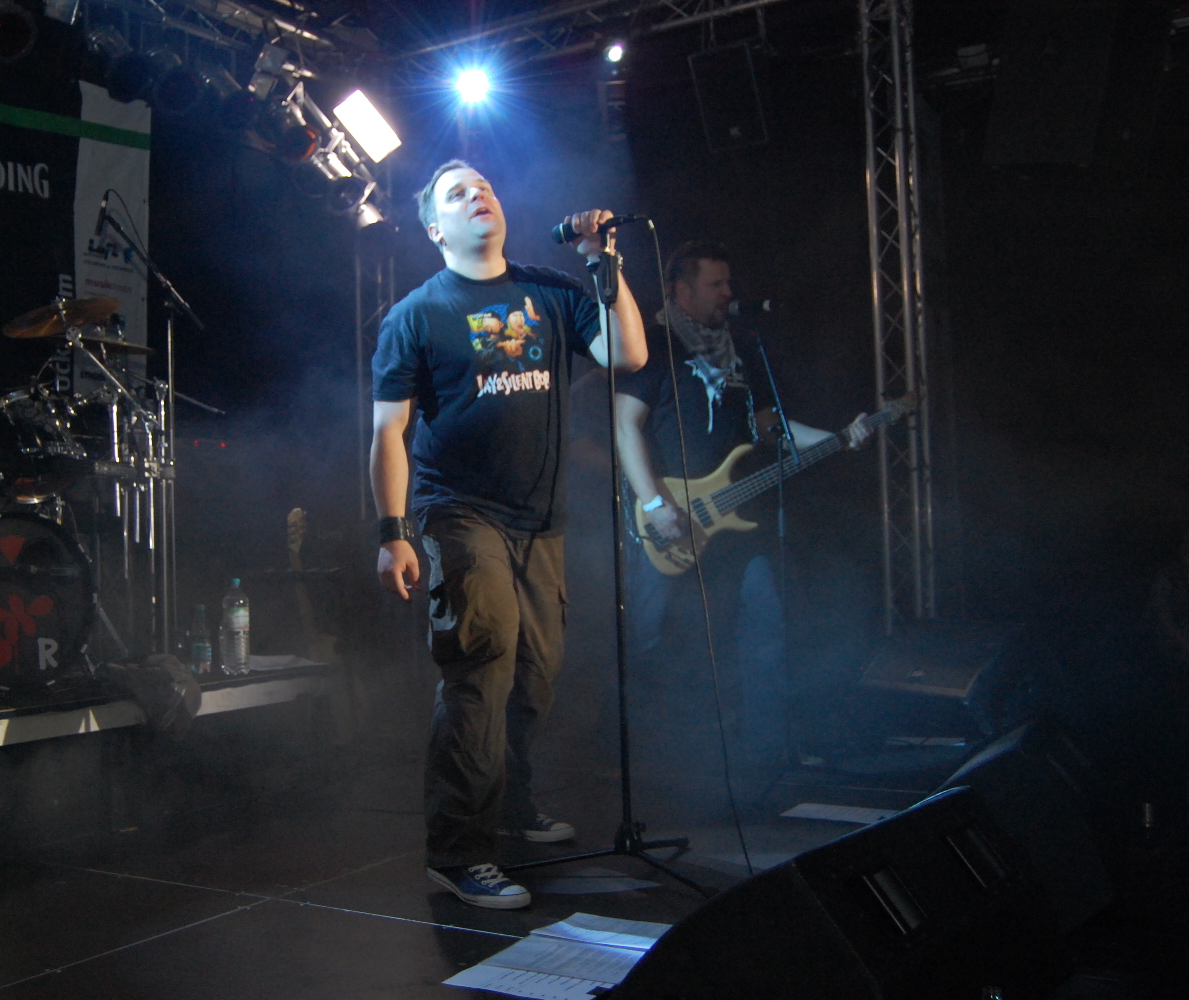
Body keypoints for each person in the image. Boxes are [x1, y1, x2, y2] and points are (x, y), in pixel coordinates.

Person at [370, 160, 647, 909]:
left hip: (540, 520)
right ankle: (458, 852)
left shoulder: (550, 289)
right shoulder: (416, 315)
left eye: (484, 187)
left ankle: (514, 803)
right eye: (457, 194)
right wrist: (394, 531)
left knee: (535, 674)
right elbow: (389, 432)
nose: (478, 196)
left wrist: (601, 262)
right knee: (481, 661)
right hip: (457, 511)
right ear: (436, 230)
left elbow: (626, 354)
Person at [613, 240, 869, 811]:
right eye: (716, 284)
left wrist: (836, 439)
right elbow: (625, 426)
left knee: (763, 626)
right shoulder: (652, 347)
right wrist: (654, 505)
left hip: (735, 521)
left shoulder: (740, 352)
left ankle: (765, 759)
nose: (729, 294)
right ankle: (653, 767)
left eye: (729, 283)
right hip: (669, 519)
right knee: (654, 639)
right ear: (681, 290)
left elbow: (769, 426)